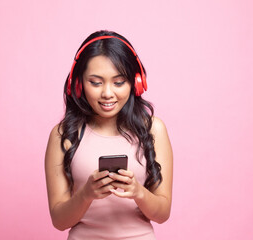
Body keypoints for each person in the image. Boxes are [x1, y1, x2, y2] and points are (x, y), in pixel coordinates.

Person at [45, 30, 173, 240]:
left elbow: (162, 214)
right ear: (78, 84)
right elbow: (59, 221)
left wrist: (138, 192)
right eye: (95, 82)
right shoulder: (62, 136)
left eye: (119, 82)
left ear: (136, 82)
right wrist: (86, 194)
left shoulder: (154, 130)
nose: (107, 93)